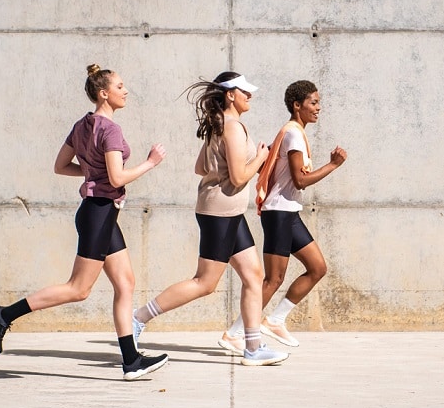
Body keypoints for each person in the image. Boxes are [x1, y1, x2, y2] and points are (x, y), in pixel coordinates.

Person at [0, 64, 169, 381]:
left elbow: (61, 166)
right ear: (104, 93)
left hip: (100, 212)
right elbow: (117, 177)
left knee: (125, 283)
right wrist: (150, 163)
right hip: (99, 214)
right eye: (120, 86)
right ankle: (4, 315)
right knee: (78, 289)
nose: (126, 91)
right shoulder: (110, 130)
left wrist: (92, 175)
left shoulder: (83, 125)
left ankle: (131, 361)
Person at [132, 72, 288, 366]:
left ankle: (252, 347)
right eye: (245, 91)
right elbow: (240, 176)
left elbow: (200, 167)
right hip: (221, 213)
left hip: (227, 211)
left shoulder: (221, 125)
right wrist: (261, 157)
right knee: (204, 282)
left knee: (254, 276)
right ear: (230, 95)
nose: (250, 95)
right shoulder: (231, 127)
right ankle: (138, 318)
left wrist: (222, 165)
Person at [218, 80, 347, 352]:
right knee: (272, 280)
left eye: (318, 102)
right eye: (313, 102)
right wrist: (333, 165)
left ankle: (275, 320)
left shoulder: (293, 132)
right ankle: (234, 333)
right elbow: (300, 180)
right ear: (297, 105)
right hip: (279, 213)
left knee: (317, 268)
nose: (318, 107)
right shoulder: (293, 134)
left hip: (289, 212)